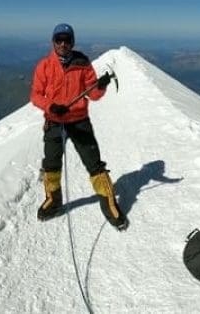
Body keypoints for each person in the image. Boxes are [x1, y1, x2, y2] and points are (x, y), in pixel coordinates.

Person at [30, 23, 128, 230]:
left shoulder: (83, 63)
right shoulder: (45, 66)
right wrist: (51, 106)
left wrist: (100, 87)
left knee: (94, 164)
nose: (63, 44)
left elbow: (92, 94)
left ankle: (109, 205)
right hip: (54, 121)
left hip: (79, 120)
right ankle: (53, 200)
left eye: (67, 39)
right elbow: (35, 95)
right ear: (53, 42)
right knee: (51, 164)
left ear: (72, 41)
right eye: (59, 40)